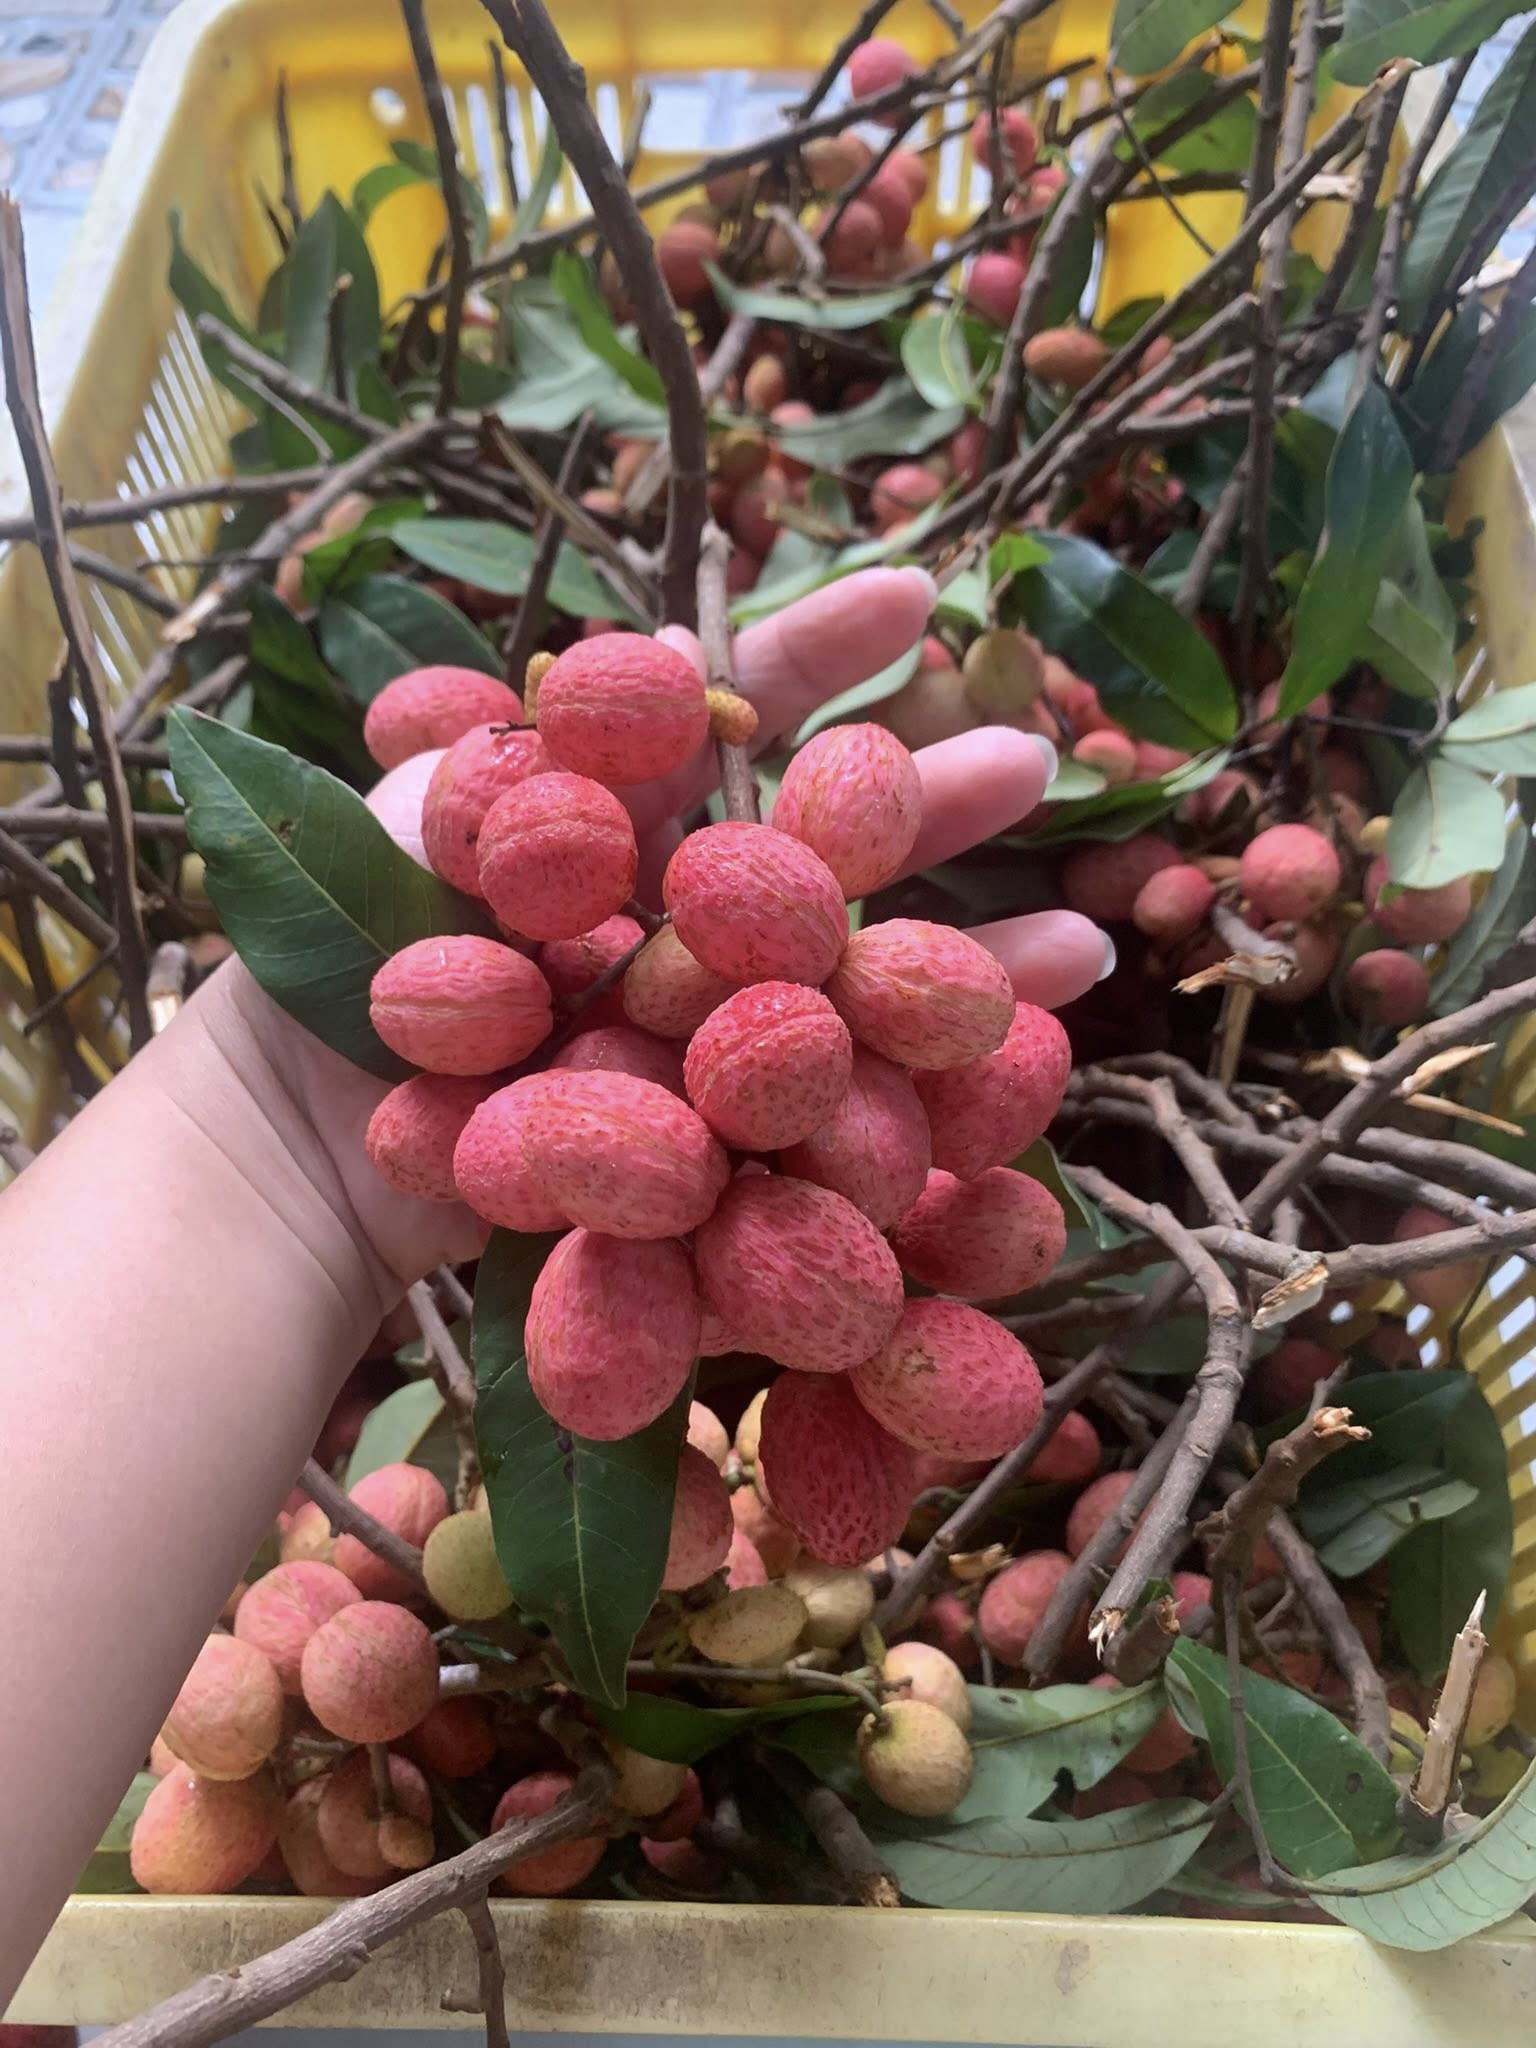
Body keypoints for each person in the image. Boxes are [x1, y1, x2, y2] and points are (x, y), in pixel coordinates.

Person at [0, 567, 1109, 2001]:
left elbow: (845, 1083)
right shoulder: (624, 1078)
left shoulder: (779, 1152)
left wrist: (259, 1146)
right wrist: (267, 1121)